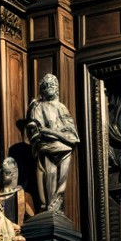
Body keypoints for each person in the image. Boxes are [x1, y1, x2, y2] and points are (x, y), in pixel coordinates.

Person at [25, 73, 80, 214]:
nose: (50, 87)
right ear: (42, 89)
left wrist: (54, 133)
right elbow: (37, 130)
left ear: (57, 88)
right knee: (50, 173)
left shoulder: (61, 107)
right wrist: (47, 132)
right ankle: (50, 206)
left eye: (53, 84)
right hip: (47, 148)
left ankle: (57, 205)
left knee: (61, 183)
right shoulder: (39, 107)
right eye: (47, 85)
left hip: (64, 147)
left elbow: (71, 132)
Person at [0, 155, 34, 226]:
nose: (4, 175)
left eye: (7, 172)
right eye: (4, 172)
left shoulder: (25, 196)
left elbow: (32, 219)